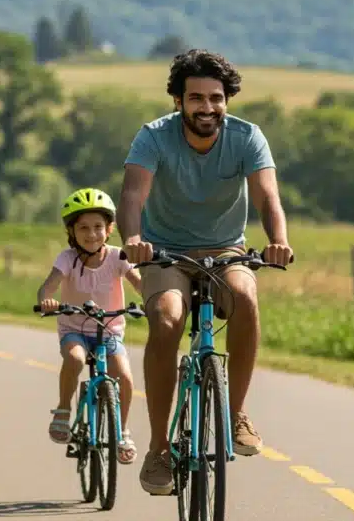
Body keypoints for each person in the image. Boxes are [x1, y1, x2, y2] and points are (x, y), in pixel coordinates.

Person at [117, 49, 294, 496]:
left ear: (227, 100)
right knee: (168, 319)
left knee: (245, 297)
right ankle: (159, 448)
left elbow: (267, 197)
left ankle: (235, 414)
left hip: (225, 249)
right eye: (196, 97)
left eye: (216, 98)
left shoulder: (247, 137)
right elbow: (133, 195)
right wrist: (133, 238)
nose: (207, 107)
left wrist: (278, 240)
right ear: (178, 100)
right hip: (164, 251)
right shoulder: (153, 137)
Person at [36, 187, 143, 466]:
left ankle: (122, 431)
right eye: (83, 227)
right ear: (71, 231)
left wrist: (154, 300)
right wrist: (47, 300)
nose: (92, 233)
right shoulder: (67, 259)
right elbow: (48, 286)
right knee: (75, 358)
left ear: (109, 229)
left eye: (98, 226)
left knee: (124, 376)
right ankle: (63, 410)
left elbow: (139, 283)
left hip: (109, 331)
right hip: (74, 330)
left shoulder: (118, 256)